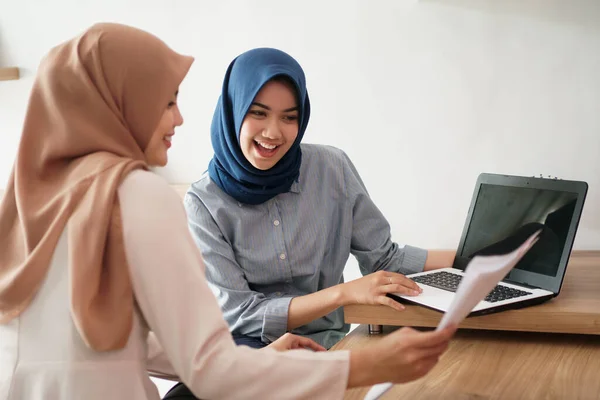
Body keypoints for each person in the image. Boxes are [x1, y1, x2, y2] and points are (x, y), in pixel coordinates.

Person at [0, 24, 455, 400]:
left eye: (289, 116)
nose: (179, 119)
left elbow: (105, 340)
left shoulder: (27, 195)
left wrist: (476, 254)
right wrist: (358, 365)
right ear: (118, 105)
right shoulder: (142, 195)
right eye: (166, 102)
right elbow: (212, 366)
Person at [184, 47, 456, 351]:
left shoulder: (331, 168)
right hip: (248, 354)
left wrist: (479, 257)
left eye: (289, 117)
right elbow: (242, 314)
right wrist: (343, 293)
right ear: (232, 111)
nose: (273, 132)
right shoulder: (203, 203)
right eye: (257, 113)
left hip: (328, 347)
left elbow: (384, 259)